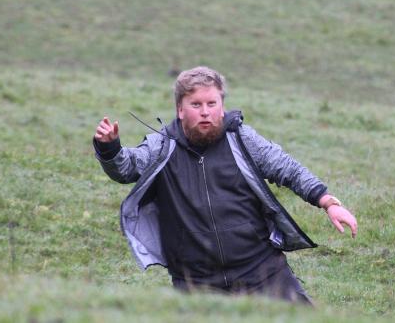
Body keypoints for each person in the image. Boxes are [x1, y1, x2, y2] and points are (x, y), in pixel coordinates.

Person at [93, 66, 357, 304]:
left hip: (261, 270)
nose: (205, 111)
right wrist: (109, 148)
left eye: (212, 103)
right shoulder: (162, 146)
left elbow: (287, 168)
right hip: (195, 282)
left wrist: (328, 202)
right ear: (180, 110)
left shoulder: (241, 139)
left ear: (222, 106)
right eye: (196, 104)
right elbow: (126, 168)